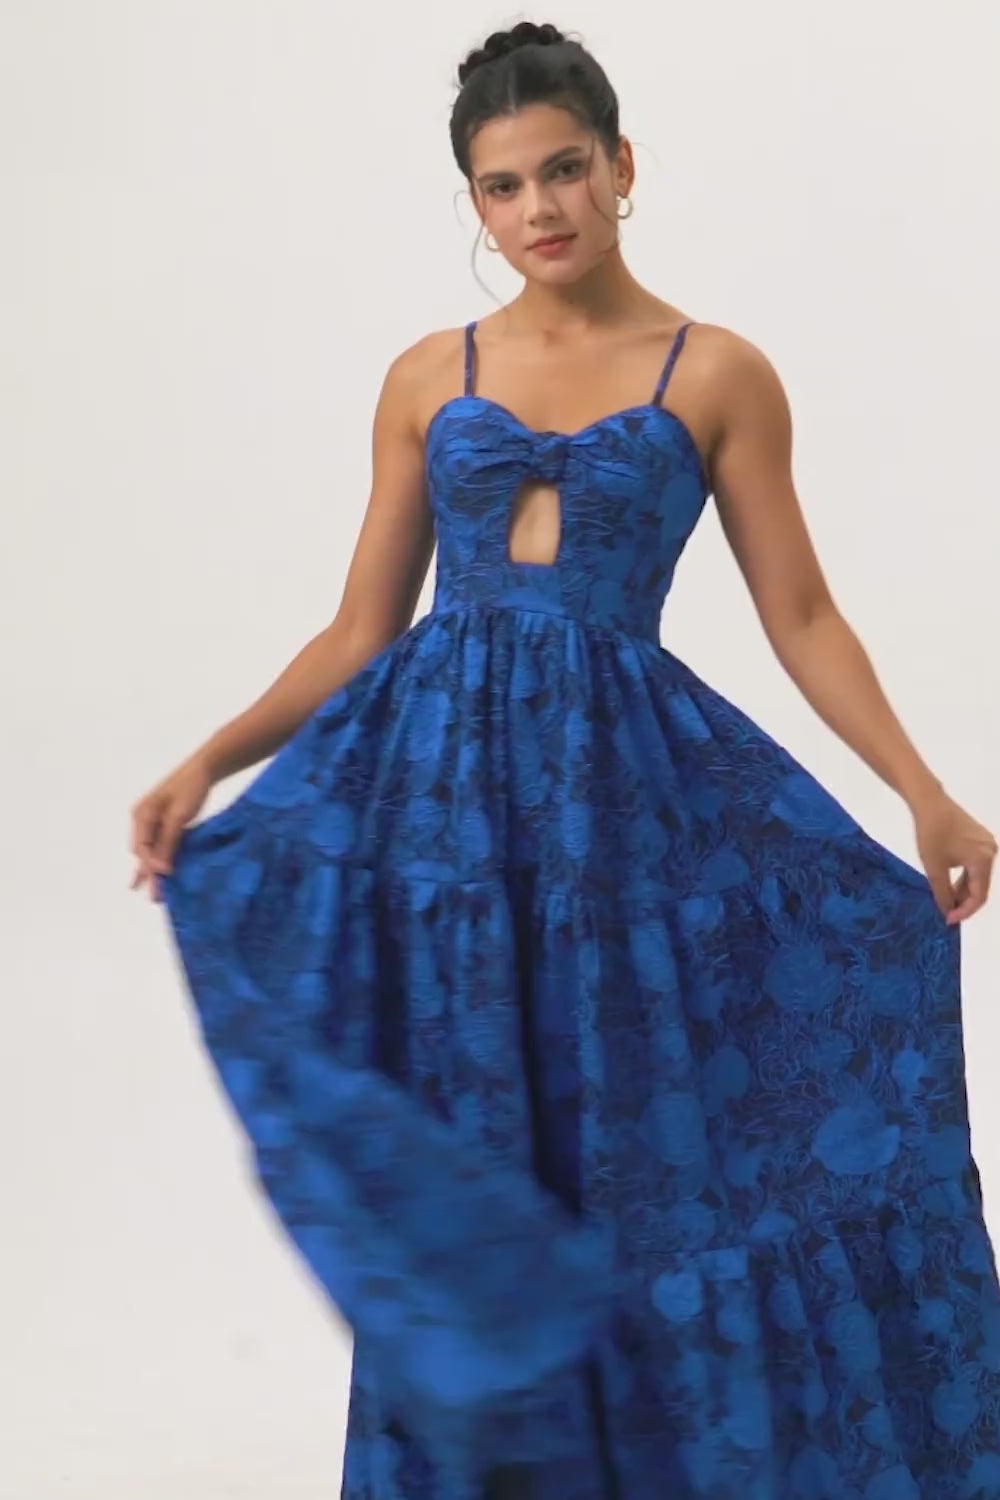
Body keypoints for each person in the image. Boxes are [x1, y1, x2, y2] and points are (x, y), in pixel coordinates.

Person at [129, 20, 1000, 1500]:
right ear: (474, 202)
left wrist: (923, 791)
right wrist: (206, 762)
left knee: (646, 1169)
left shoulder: (717, 371)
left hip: (625, 822)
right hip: (452, 833)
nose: (539, 208)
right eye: (502, 185)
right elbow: (359, 628)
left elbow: (800, 613)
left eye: (565, 169)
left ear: (621, 165)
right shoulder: (430, 374)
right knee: (482, 1160)